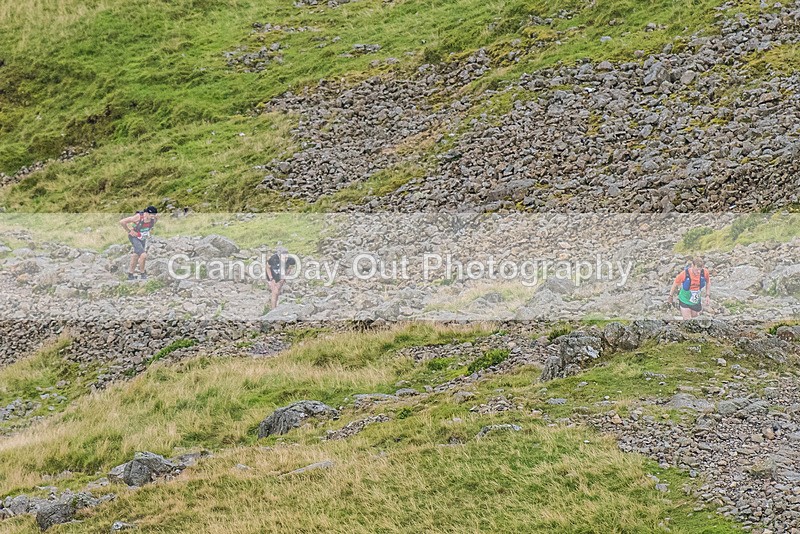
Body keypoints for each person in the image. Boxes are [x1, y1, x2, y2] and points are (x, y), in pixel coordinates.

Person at [120, 206, 158, 280]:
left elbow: (151, 225)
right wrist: (129, 231)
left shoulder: (154, 219)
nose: (152, 216)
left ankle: (130, 274)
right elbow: (122, 222)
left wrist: (148, 231)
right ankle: (143, 274)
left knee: (136, 255)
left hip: (143, 238)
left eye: (154, 214)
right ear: (146, 213)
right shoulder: (138, 217)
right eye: (151, 215)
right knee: (143, 255)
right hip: (134, 237)